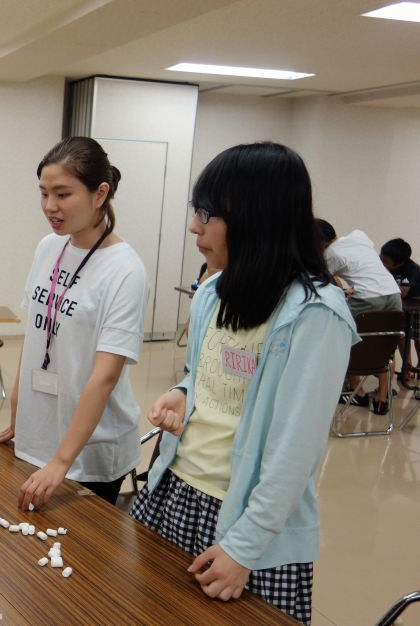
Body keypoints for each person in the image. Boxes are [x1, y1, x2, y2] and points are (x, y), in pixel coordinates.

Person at [130, 142, 357, 624]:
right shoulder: (213, 292)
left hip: (249, 525)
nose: (195, 226)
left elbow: (295, 451)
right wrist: (183, 392)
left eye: (208, 214)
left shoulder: (314, 316)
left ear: (259, 217)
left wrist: (244, 547)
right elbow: (208, 374)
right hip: (175, 489)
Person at [0, 136, 149, 508]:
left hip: (89, 451)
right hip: (39, 434)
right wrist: (19, 414)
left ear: (100, 193)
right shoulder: (49, 247)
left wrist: (62, 460)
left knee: (80, 560)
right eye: (44, 193)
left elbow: (105, 376)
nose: (50, 206)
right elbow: (36, 338)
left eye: (63, 194)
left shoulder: (125, 269)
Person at [315, 219, 401, 414]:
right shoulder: (358, 235)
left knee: (345, 339)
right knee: (386, 344)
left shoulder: (330, 254)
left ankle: (358, 393)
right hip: (393, 294)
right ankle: (382, 399)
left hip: (368, 298)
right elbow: (364, 265)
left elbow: (323, 280)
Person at [380, 238, 420, 385]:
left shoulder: (411, 269)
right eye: (381, 258)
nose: (382, 264)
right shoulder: (383, 267)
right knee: (402, 336)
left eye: (386, 262)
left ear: (399, 263)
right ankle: (406, 367)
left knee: (417, 338)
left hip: (416, 305)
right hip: (401, 307)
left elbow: (402, 292)